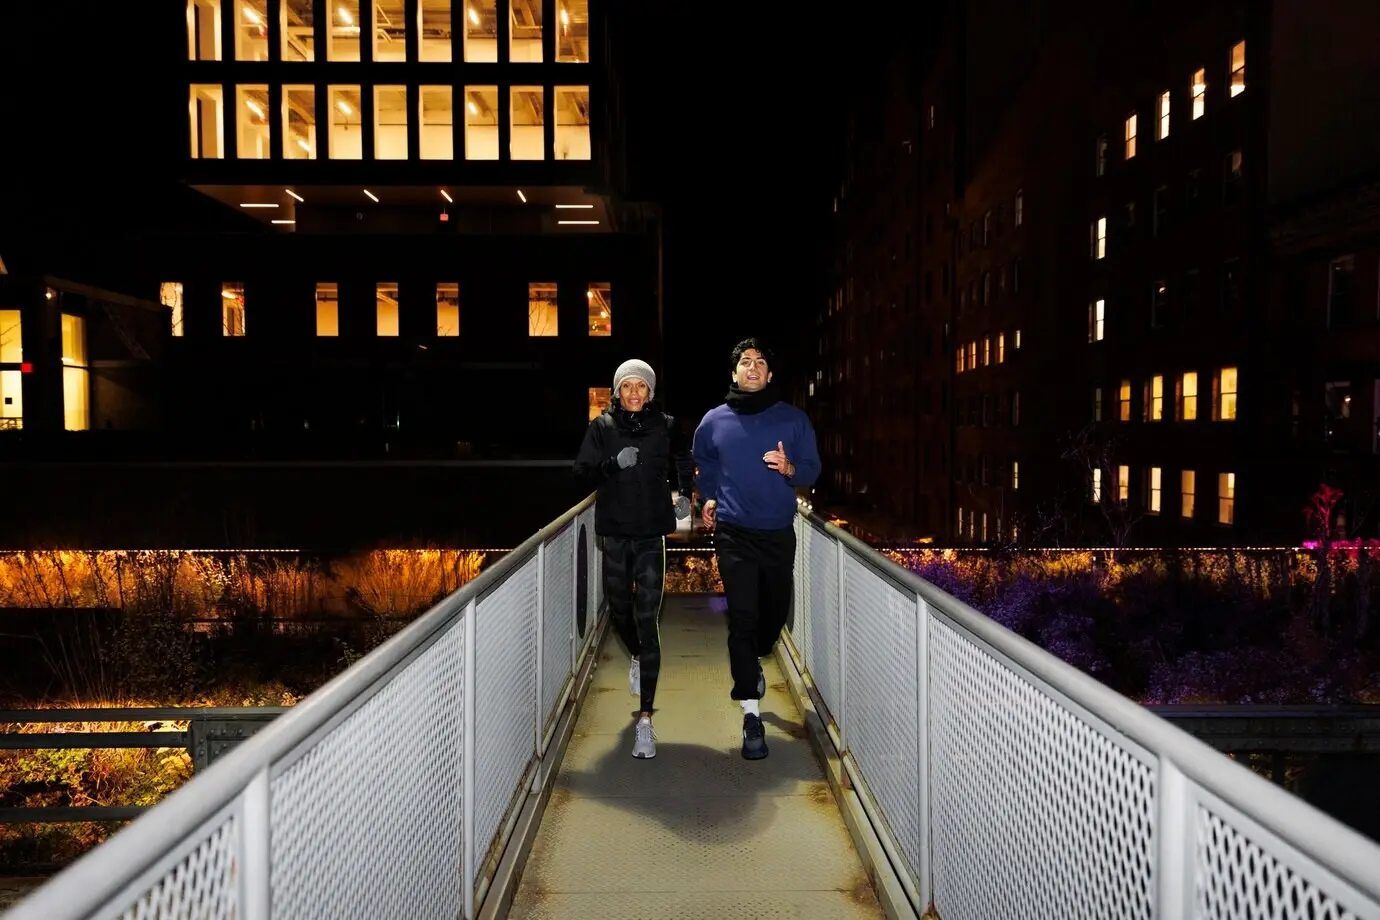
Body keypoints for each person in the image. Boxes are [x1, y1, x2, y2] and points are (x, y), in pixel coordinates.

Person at [693, 338, 821, 760]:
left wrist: (790, 469)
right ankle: (750, 714)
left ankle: (758, 659)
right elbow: (705, 462)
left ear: (769, 375)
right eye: (744, 362)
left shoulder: (793, 419)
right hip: (733, 533)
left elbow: (813, 466)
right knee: (743, 620)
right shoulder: (714, 421)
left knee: (772, 618)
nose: (751, 368)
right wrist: (709, 495)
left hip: (777, 532)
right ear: (734, 373)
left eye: (760, 362)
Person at [573, 359, 694, 759]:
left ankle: (645, 719)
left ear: (650, 393)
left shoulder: (666, 425)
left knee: (648, 619)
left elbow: (682, 459)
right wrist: (612, 464)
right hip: (615, 532)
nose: (634, 393)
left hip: (650, 535)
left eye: (641, 386)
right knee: (620, 611)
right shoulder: (602, 429)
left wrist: (683, 493)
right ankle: (637, 654)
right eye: (627, 386)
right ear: (617, 392)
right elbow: (581, 475)